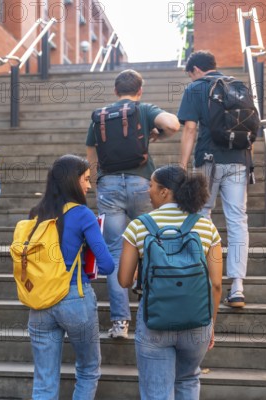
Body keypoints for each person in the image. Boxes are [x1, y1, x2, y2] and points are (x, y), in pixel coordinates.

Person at [86, 69, 180, 338]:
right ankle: (155, 311)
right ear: (140, 91)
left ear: (115, 91)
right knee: (150, 244)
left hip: (109, 186)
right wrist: (157, 136)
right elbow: (173, 124)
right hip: (142, 185)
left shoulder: (100, 115)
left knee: (115, 253)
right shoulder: (143, 109)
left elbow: (91, 152)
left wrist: (97, 180)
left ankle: (120, 323)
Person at [118, 165, 223, 400]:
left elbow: (124, 280)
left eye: (152, 186)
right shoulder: (206, 226)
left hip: (155, 320)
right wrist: (211, 323)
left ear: (165, 191)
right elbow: (216, 284)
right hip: (197, 322)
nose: (148, 191)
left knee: (157, 393)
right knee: (187, 379)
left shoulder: (138, 225)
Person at [26, 154, 114, 399]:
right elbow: (107, 265)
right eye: (85, 179)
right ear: (72, 181)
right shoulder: (83, 214)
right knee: (87, 370)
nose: (88, 185)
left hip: (40, 301)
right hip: (74, 298)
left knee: (44, 380)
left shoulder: (35, 213)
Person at [178, 50, 250, 308]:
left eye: (189, 75)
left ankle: (207, 280)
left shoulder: (196, 88)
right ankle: (238, 286)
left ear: (195, 70)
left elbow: (189, 128)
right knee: (237, 220)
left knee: (202, 215)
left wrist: (182, 165)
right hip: (239, 160)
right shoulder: (238, 84)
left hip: (208, 159)